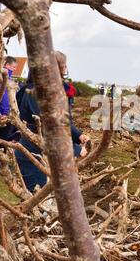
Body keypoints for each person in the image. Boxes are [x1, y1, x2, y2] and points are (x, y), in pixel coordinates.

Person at [15, 51, 90, 193]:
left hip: (47, 155)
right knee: (37, 199)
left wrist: (78, 135)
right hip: (34, 156)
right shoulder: (33, 93)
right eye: (63, 67)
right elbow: (48, 127)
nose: (66, 70)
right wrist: (75, 149)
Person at [0, 56, 18, 168]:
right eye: (13, 67)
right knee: (1, 139)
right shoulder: (2, 79)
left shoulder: (6, 79)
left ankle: (0, 161)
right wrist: (1, 114)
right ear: (6, 65)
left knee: (4, 138)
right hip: (2, 115)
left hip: (4, 114)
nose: (15, 69)